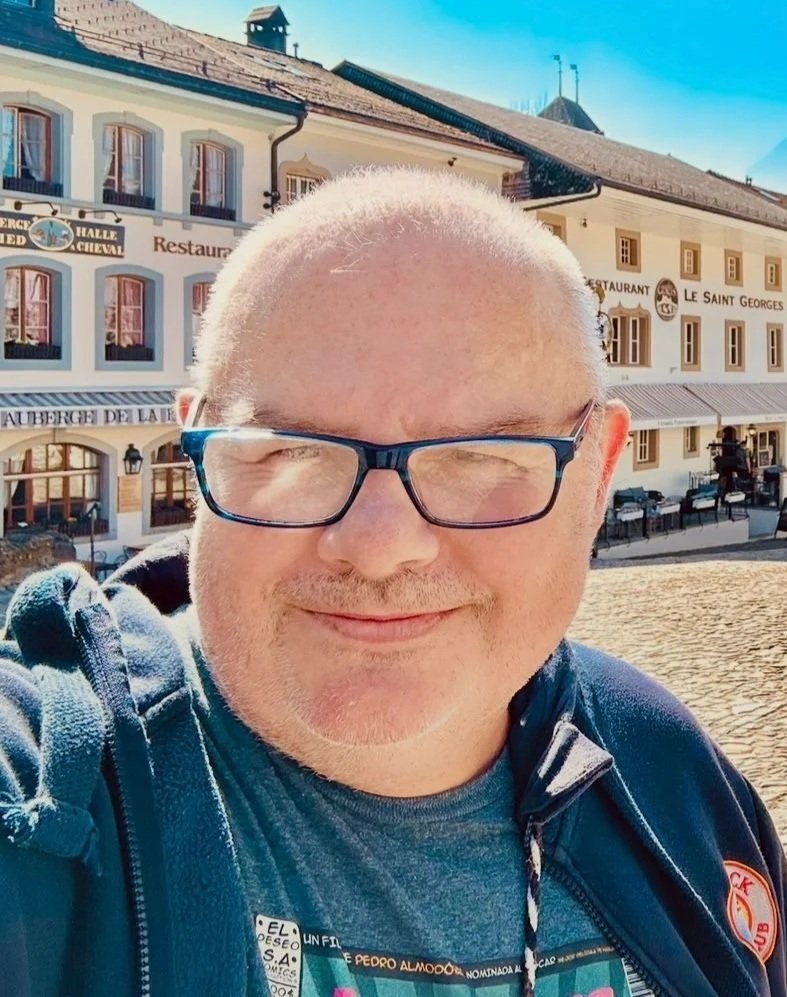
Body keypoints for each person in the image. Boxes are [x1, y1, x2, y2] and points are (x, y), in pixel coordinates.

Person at [0, 169, 784, 997]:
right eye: (290, 450)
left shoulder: (672, 773)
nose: (378, 548)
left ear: (598, 474)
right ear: (200, 456)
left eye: (481, 456)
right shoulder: (46, 799)